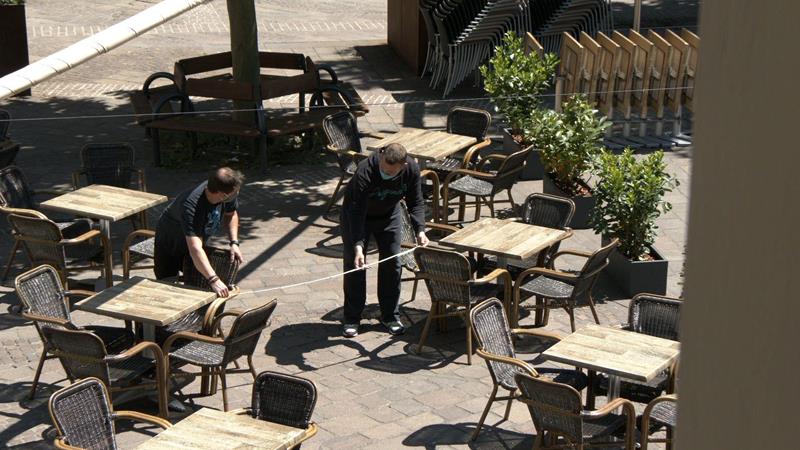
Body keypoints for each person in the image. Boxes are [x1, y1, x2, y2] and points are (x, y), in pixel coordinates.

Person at [340, 143, 429, 338]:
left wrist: (420, 230)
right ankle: (352, 318)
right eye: (383, 169)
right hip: (358, 216)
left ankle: (389, 315)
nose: (385, 173)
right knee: (355, 265)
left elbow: (416, 201)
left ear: (403, 166)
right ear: (381, 157)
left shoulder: (411, 169)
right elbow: (356, 212)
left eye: (391, 171)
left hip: (389, 215)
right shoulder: (365, 171)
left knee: (392, 262)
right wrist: (358, 246)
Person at [154, 167, 245, 297]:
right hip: (171, 243)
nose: (237, 194)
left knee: (200, 283)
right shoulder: (192, 206)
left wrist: (234, 242)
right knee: (167, 289)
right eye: (234, 193)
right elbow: (195, 249)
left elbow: (231, 214)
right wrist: (214, 279)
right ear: (221, 194)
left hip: (196, 244)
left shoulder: (228, 193)